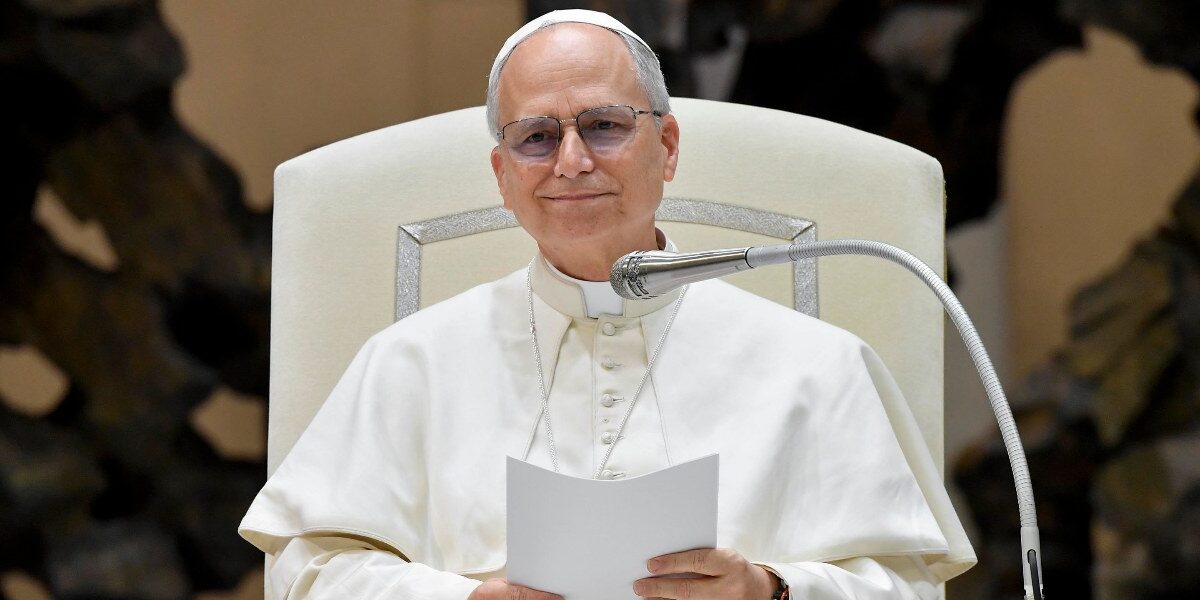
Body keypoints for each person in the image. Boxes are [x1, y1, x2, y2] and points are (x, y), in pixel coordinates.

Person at [239, 9, 976, 599]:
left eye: (604, 125)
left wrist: (770, 591)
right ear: (502, 175)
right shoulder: (410, 363)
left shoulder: (818, 365)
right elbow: (309, 576)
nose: (572, 162)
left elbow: (906, 585)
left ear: (669, 146)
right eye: (536, 137)